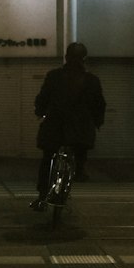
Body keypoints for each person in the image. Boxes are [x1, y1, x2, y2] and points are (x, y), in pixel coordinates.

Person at [32, 42, 106, 204]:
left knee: (48, 158)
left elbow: (43, 98)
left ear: (66, 57)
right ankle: (79, 170)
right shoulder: (92, 80)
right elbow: (99, 104)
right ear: (84, 59)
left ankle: (42, 194)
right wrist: (97, 121)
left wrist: (40, 111)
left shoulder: (54, 76)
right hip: (80, 129)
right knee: (81, 149)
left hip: (55, 127)